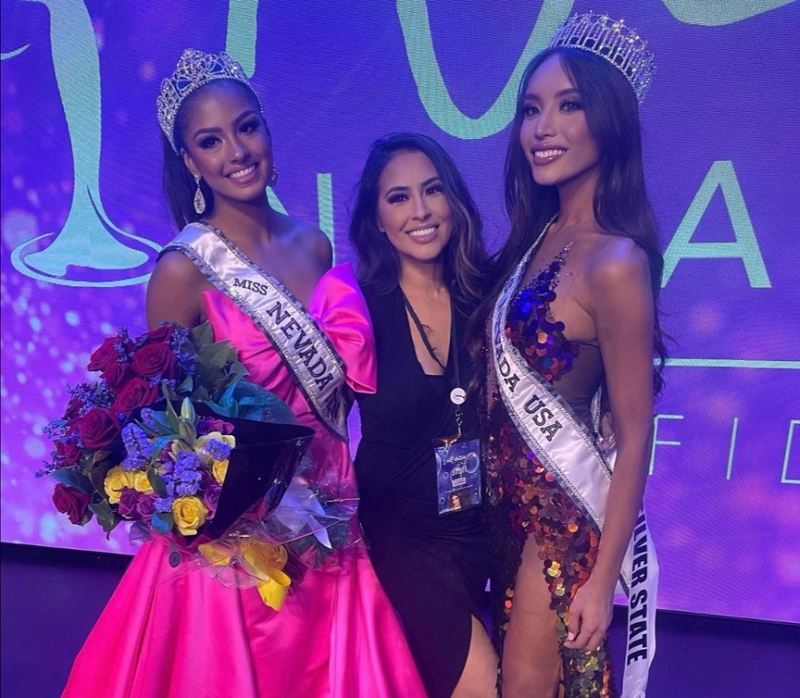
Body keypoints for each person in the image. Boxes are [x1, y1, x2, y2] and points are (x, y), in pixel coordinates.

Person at [61, 49, 426, 698]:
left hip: (329, 527)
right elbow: (163, 423)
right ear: (191, 162)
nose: (236, 150)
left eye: (247, 126)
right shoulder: (183, 268)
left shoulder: (314, 244)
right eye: (211, 140)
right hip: (239, 540)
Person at [476, 13, 664, 698]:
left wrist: (602, 573)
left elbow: (635, 429)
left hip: (558, 528)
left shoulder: (617, 262)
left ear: (606, 119)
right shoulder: (536, 237)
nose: (541, 128)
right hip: (495, 510)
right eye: (530, 110)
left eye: (568, 105)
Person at [349, 133, 497, 698]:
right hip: (401, 535)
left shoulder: (488, 293)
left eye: (432, 191)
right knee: (482, 684)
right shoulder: (353, 303)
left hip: (484, 529)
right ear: (377, 219)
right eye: (399, 198)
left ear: (454, 201)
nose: (420, 211)